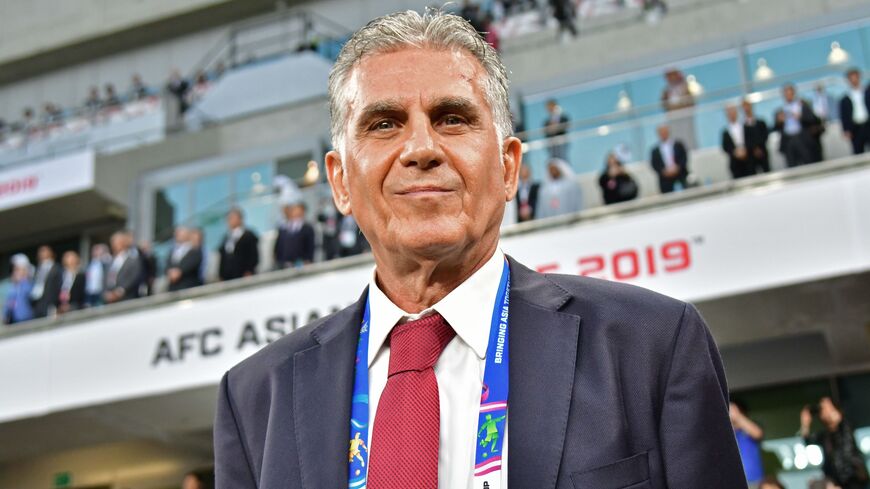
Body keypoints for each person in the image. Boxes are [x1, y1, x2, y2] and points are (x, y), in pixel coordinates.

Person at [214, 10, 746, 489]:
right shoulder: (256, 398)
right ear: (340, 183)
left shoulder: (650, 345)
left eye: (452, 118)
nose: (421, 149)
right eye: (383, 124)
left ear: (509, 166)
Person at [801, 397, 869, 489]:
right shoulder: (825, 436)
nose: (824, 411)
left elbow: (841, 421)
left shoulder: (845, 426)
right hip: (836, 482)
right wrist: (805, 423)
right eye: (822, 410)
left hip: (854, 478)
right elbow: (808, 440)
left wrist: (830, 408)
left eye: (827, 408)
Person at [774, 83, 824, 168]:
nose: (788, 96)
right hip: (788, 141)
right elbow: (776, 128)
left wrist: (800, 117)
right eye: (786, 94)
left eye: (790, 93)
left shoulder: (802, 105)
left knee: (809, 164)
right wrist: (780, 121)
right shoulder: (781, 110)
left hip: (803, 139)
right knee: (792, 166)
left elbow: (814, 120)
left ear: (794, 93)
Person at [731, 399, 765, 489]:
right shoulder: (725, 431)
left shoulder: (749, 428)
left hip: (755, 482)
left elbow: (758, 433)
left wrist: (737, 416)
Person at [217, 208, 259, 281]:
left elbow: (253, 255)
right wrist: (221, 275)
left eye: (232, 218)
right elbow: (222, 258)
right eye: (228, 219)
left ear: (240, 219)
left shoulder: (249, 235)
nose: (230, 221)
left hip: (243, 276)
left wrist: (249, 270)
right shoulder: (226, 238)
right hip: (228, 278)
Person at [661, 68, 697, 150]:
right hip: (673, 120)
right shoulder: (666, 91)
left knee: (688, 136)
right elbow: (664, 105)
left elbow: (691, 102)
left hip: (685, 119)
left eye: (672, 75)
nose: (670, 79)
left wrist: (678, 107)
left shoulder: (686, 87)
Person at [104, 231, 144, 304]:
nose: (114, 245)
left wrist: (120, 291)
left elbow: (134, 277)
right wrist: (106, 293)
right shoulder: (110, 261)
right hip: (110, 300)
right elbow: (106, 278)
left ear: (123, 243)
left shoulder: (133, 260)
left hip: (126, 299)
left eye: (116, 242)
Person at [273, 203, 316, 269]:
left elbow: (311, 246)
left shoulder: (307, 228)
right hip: (284, 264)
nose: (296, 213)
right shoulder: (283, 228)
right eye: (294, 210)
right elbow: (278, 246)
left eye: (299, 211)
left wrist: (308, 260)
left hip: (301, 264)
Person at [650, 124, 689, 193]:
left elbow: (684, 157)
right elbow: (654, 164)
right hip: (665, 179)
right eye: (661, 132)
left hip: (680, 175)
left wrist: (678, 168)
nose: (663, 134)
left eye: (665, 131)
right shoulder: (655, 150)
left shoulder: (678, 144)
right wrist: (664, 171)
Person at [840, 68, 870, 155]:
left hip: (868, 124)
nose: (853, 80)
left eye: (855, 77)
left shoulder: (867, 92)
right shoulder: (845, 99)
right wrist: (846, 129)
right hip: (855, 128)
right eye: (851, 78)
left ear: (859, 77)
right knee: (858, 152)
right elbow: (844, 115)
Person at [166, 227, 203, 292]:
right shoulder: (172, 251)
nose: (177, 235)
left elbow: (191, 264)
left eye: (180, 233)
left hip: (188, 288)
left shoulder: (194, 250)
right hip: (173, 289)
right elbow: (167, 265)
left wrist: (179, 272)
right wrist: (170, 273)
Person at [30, 245, 62, 318]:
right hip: (38, 303)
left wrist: (57, 304)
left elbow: (58, 286)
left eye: (44, 251)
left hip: (50, 303)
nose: (41, 253)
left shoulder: (56, 268)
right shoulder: (37, 270)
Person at [722, 104, 754, 179]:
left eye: (733, 112)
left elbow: (751, 140)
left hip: (749, 160)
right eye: (729, 113)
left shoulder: (746, 127)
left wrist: (745, 150)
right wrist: (735, 152)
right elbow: (725, 147)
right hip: (735, 163)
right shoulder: (725, 132)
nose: (732, 115)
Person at [3, 254, 34, 325]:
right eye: (14, 270)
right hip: (14, 321)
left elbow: (30, 294)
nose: (15, 273)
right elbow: (8, 305)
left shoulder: (29, 284)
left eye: (17, 270)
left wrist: (24, 278)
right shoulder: (12, 288)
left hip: (28, 320)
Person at [742, 99, 771, 174]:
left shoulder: (761, 122)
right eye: (744, 107)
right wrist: (754, 148)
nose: (746, 109)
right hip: (750, 154)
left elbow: (765, 135)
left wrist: (759, 147)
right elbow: (745, 140)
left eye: (748, 106)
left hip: (763, 151)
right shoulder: (742, 126)